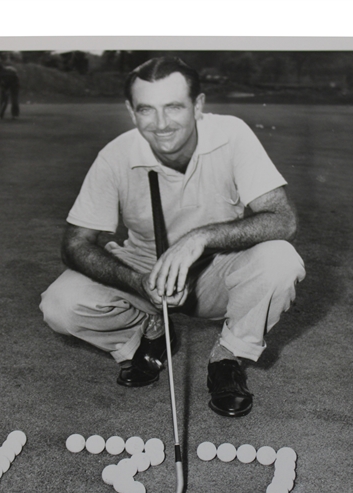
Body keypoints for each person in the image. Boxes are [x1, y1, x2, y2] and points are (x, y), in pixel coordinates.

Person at [40, 57, 305, 417]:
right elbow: (75, 244)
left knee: (280, 260)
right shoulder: (115, 156)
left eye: (174, 107)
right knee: (60, 304)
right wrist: (137, 282)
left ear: (197, 106)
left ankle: (227, 358)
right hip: (145, 270)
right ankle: (147, 331)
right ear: (131, 112)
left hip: (217, 270)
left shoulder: (232, 134)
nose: (161, 124)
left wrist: (200, 238)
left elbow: (283, 219)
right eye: (147, 110)